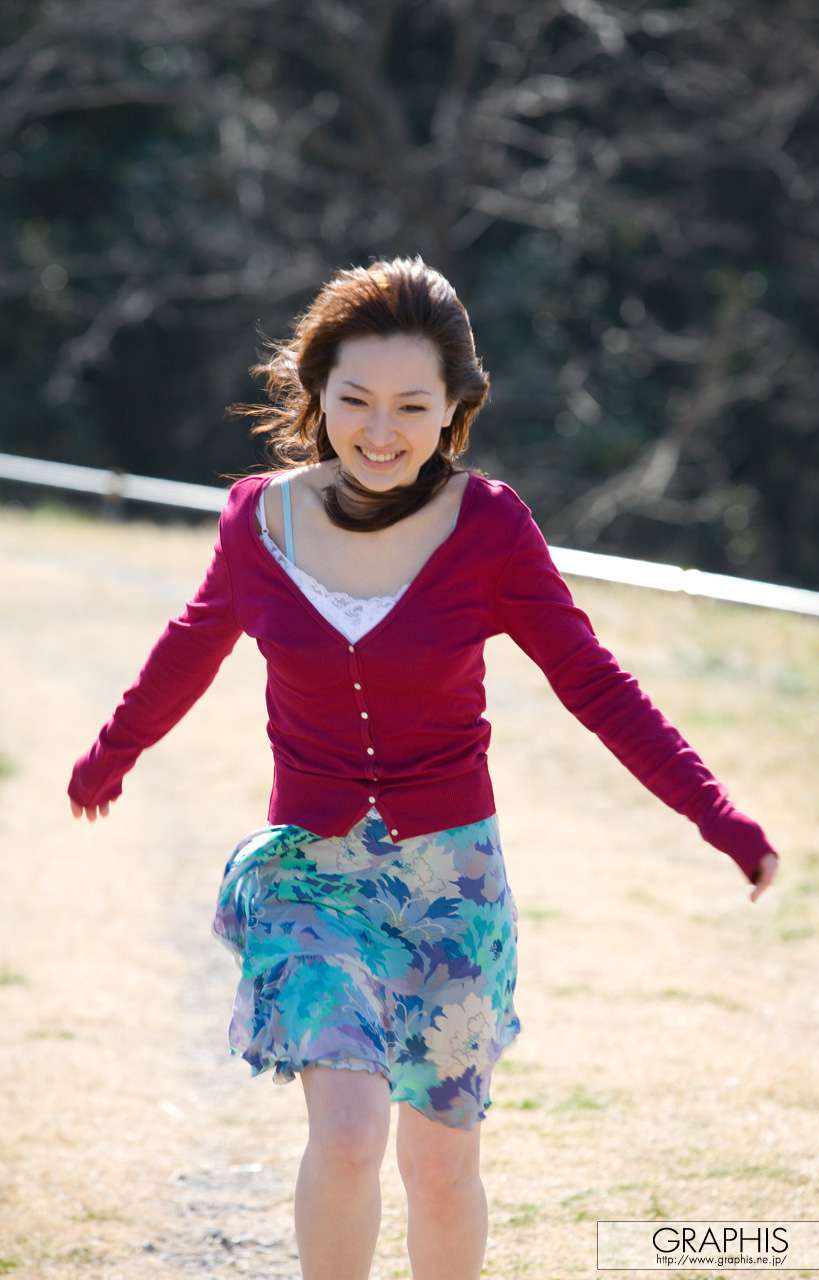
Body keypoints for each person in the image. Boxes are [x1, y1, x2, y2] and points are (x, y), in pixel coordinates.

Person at [68, 254, 780, 1280]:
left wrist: (716, 815)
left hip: (452, 886)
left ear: (454, 409)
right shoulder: (260, 522)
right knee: (348, 1134)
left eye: (411, 405)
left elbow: (595, 684)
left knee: (441, 1168)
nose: (380, 430)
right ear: (317, 393)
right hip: (310, 875)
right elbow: (191, 645)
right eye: (355, 398)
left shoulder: (489, 528)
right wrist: (112, 754)